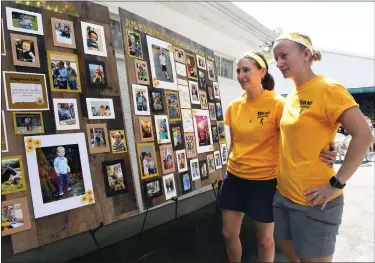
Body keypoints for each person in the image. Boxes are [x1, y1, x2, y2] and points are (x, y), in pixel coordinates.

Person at [219, 51, 337, 263]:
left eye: (246, 70)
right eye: (238, 71)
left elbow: (298, 135)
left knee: (265, 239)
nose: (240, 75)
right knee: (228, 234)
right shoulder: (234, 107)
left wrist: (325, 148)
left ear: (262, 72)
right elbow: (234, 142)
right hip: (235, 178)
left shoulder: (278, 104)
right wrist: (225, 169)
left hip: (265, 181)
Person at [272, 32, 373, 263]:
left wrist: (336, 182)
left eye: (284, 56)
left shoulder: (329, 89)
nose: (278, 63)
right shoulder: (291, 96)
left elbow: (364, 135)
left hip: (315, 200)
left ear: (306, 54)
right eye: (276, 58)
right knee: (288, 252)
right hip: (283, 195)